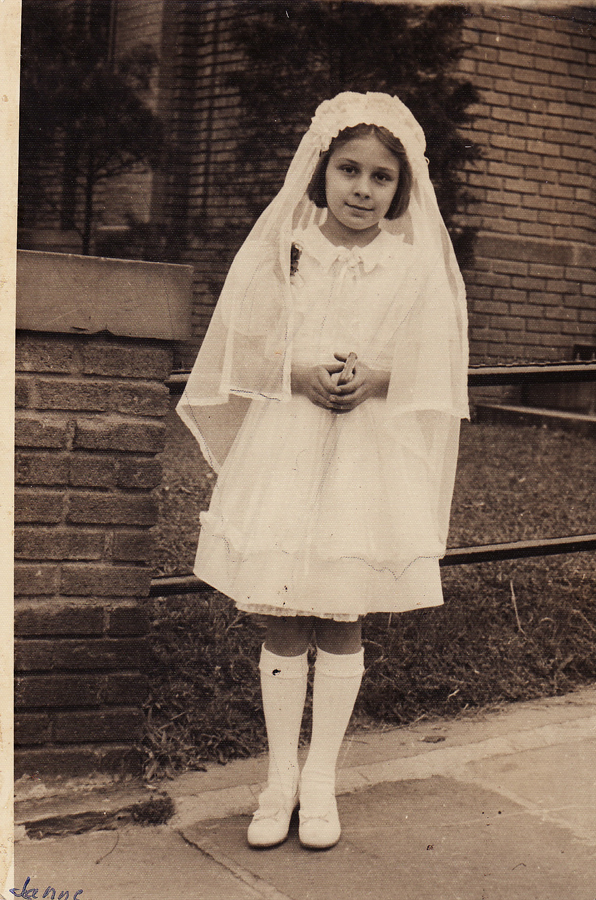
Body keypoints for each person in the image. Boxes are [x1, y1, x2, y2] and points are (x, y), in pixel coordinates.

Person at [177, 91, 469, 851]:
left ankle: (321, 778)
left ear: (401, 190)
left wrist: (376, 376)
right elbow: (242, 340)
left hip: (366, 453)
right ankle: (277, 779)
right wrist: (298, 370)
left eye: (381, 178)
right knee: (282, 613)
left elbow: (440, 361)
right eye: (349, 170)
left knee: (341, 613)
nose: (363, 190)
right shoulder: (289, 248)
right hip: (290, 439)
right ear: (322, 170)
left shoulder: (412, 268)